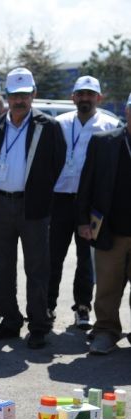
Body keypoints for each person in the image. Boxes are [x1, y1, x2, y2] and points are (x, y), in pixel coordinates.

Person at [0, 67, 66, 349]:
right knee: (3, 267)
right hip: (0, 206)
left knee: (37, 268)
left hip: (33, 208)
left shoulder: (48, 126)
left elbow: (58, 162)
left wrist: (41, 192)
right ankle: (9, 321)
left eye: (25, 95)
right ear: (7, 96)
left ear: (34, 94)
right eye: (15, 95)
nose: (20, 101)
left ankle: (39, 325)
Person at [48, 76, 119, 329]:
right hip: (59, 200)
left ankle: (82, 307)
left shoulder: (110, 125)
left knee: (86, 259)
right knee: (52, 256)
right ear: (73, 97)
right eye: (81, 94)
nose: (85, 99)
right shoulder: (59, 123)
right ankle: (48, 305)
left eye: (90, 94)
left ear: (99, 98)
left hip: (90, 204)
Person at [76, 93, 131, 355]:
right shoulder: (104, 142)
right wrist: (82, 221)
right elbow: (86, 183)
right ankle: (106, 330)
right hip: (112, 230)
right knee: (107, 286)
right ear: (126, 111)